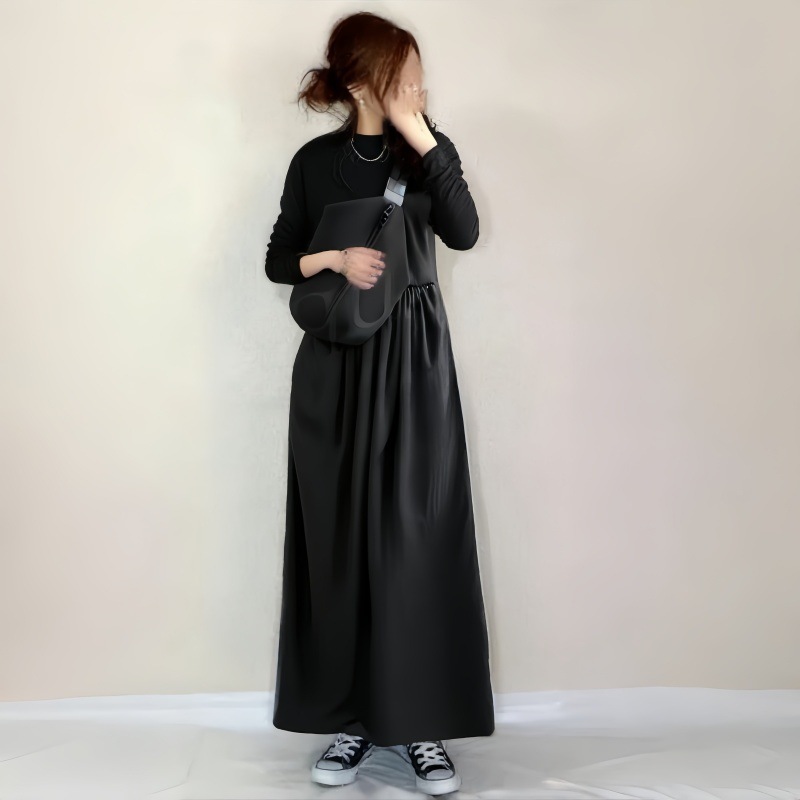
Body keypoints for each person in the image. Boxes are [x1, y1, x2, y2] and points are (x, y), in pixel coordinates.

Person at [264, 10, 494, 795]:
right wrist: (334, 257)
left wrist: (422, 135)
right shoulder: (313, 163)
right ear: (363, 83)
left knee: (415, 537)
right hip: (335, 367)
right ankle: (352, 721)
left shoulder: (428, 153)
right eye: (405, 74)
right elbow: (279, 260)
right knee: (341, 543)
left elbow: (464, 231)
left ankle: (420, 723)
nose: (419, 85)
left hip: (413, 363)